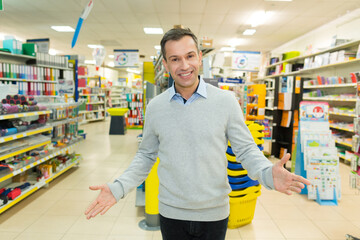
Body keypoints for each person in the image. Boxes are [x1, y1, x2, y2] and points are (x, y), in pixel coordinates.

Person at [85, 28, 311, 240]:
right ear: (165, 64)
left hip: (214, 215)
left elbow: (246, 149)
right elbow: (145, 156)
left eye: (190, 56)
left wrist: (267, 173)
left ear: (200, 57)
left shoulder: (226, 101)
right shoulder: (156, 107)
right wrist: (118, 187)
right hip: (171, 214)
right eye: (175, 59)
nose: (184, 65)